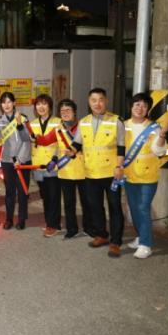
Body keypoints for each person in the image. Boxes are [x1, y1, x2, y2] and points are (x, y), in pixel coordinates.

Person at [71, 88, 126, 258]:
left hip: (111, 173)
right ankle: (101, 234)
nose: (97, 103)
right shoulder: (83, 122)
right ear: (89, 103)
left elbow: (122, 147)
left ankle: (116, 242)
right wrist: (70, 151)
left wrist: (119, 167)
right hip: (90, 173)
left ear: (106, 101)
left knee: (114, 207)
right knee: (95, 206)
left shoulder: (116, 121)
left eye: (101, 99)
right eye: (93, 100)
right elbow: (77, 144)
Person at [123, 93, 168, 259]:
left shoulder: (154, 127)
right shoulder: (123, 125)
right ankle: (141, 236)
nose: (140, 108)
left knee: (143, 208)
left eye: (144, 105)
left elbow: (159, 151)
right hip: (129, 175)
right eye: (137, 104)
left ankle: (146, 244)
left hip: (148, 176)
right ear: (131, 107)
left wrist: (162, 136)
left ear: (148, 109)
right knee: (134, 208)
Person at [0, 92, 32, 230]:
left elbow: (27, 140)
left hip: (22, 161)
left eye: (9, 102)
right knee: (9, 192)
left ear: (14, 103)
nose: (6, 105)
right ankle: (9, 219)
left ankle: (21, 219)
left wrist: (20, 159)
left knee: (22, 191)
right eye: (3, 102)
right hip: (7, 160)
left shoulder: (23, 118)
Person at [56, 99, 94, 239]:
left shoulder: (84, 126)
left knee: (87, 202)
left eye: (68, 110)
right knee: (68, 202)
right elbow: (49, 143)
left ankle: (89, 228)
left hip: (84, 170)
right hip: (66, 170)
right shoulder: (57, 128)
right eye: (62, 111)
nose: (65, 113)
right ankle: (71, 229)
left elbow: (91, 144)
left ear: (75, 112)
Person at [29, 94, 62, 237]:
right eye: (38, 104)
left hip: (52, 165)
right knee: (45, 195)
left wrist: (55, 159)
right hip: (38, 165)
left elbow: (62, 144)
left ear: (50, 106)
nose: (41, 107)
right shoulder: (32, 124)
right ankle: (51, 222)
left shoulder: (58, 122)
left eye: (44, 104)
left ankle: (53, 225)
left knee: (53, 195)